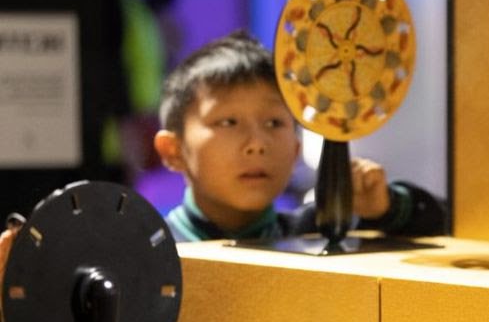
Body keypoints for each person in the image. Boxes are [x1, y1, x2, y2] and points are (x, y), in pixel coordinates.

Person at [152, 29, 444, 241]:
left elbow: (446, 222)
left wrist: (385, 206)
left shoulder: (319, 232)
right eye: (229, 122)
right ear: (172, 151)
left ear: (295, 149)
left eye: (274, 123)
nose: (256, 144)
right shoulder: (146, 252)